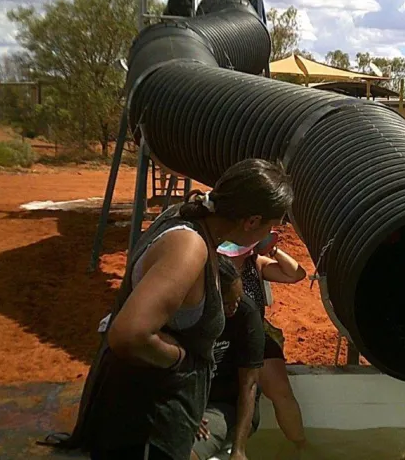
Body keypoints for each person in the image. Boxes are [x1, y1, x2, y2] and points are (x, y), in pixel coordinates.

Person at [46, 159, 293, 460]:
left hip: (148, 417)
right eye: (270, 226)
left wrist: (228, 282)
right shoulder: (188, 247)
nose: (269, 233)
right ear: (252, 221)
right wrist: (182, 359)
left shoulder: (187, 217)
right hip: (147, 429)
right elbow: (129, 335)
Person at [218, 230, 308, 450]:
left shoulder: (255, 264)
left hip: (254, 335)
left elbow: (296, 274)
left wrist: (273, 249)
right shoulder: (211, 266)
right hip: (218, 338)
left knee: (281, 391)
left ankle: (301, 447)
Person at [191, 257, 264, 460]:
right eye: (226, 303)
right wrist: (187, 411)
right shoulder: (186, 313)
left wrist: (239, 450)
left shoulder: (245, 315)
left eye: (238, 299)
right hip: (189, 400)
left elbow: (249, 385)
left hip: (224, 405)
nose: (234, 306)